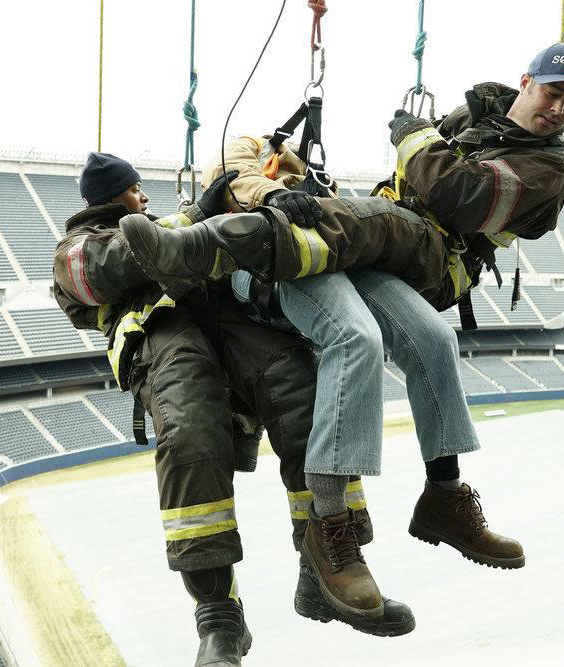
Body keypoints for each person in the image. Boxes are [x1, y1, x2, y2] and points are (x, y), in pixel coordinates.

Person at [120, 43, 564, 593]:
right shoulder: (249, 177)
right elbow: (237, 163)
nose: (560, 109)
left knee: (424, 329)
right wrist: (269, 191)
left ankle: (440, 499)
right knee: (386, 336)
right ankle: (342, 522)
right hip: (297, 262)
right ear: (528, 82)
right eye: (553, 93)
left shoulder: (544, 168)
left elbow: (448, 190)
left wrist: (399, 147)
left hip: (384, 249)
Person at [52, 153, 413, 667]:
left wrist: (273, 213)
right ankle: (220, 619)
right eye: (136, 191)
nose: (146, 198)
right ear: (115, 196)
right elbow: (104, 274)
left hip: (230, 326)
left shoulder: (166, 229)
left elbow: (225, 252)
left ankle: (329, 563)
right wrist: (197, 216)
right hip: (168, 339)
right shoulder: (75, 250)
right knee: (191, 437)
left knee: (307, 398)